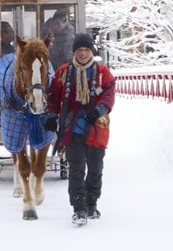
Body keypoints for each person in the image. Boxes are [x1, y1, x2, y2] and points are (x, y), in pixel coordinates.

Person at [44, 32, 115, 226]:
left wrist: (99, 110)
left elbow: (109, 94)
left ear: (92, 51)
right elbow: (53, 98)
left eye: (86, 50)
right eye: (79, 50)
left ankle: (92, 203)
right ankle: (78, 208)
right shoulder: (63, 72)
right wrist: (51, 117)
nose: (83, 54)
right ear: (74, 51)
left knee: (95, 169)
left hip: (96, 128)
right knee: (76, 170)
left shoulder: (103, 72)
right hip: (72, 128)